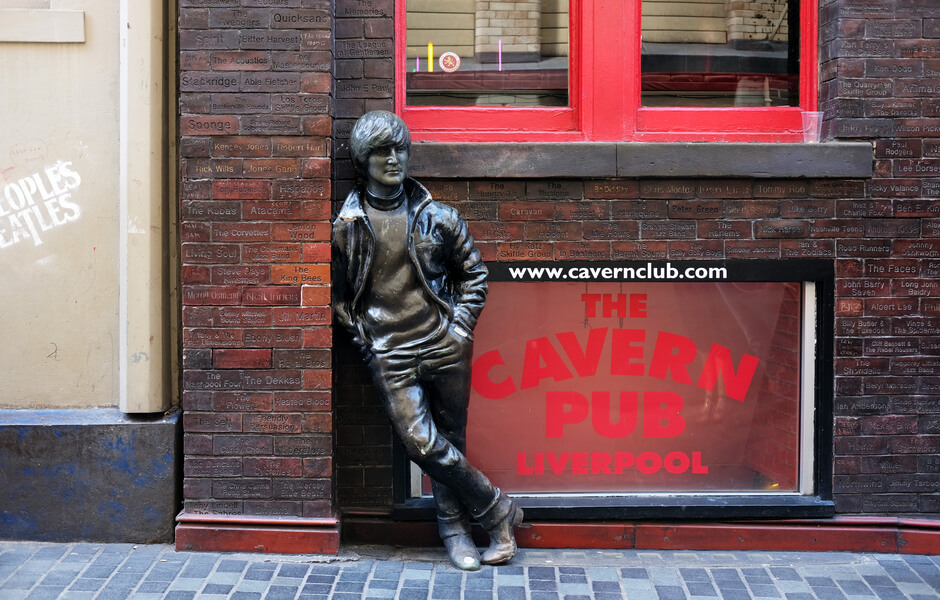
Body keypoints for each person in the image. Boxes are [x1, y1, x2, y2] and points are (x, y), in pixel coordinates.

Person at [332, 110, 523, 571]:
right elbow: (338, 299)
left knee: (451, 440)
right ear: (363, 160)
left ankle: (456, 534)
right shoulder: (348, 227)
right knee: (423, 444)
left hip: (444, 344)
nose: (393, 159)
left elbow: (475, 275)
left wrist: (458, 331)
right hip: (390, 352)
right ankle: (499, 509)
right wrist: (366, 341)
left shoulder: (439, 217)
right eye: (381, 151)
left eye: (399, 149)